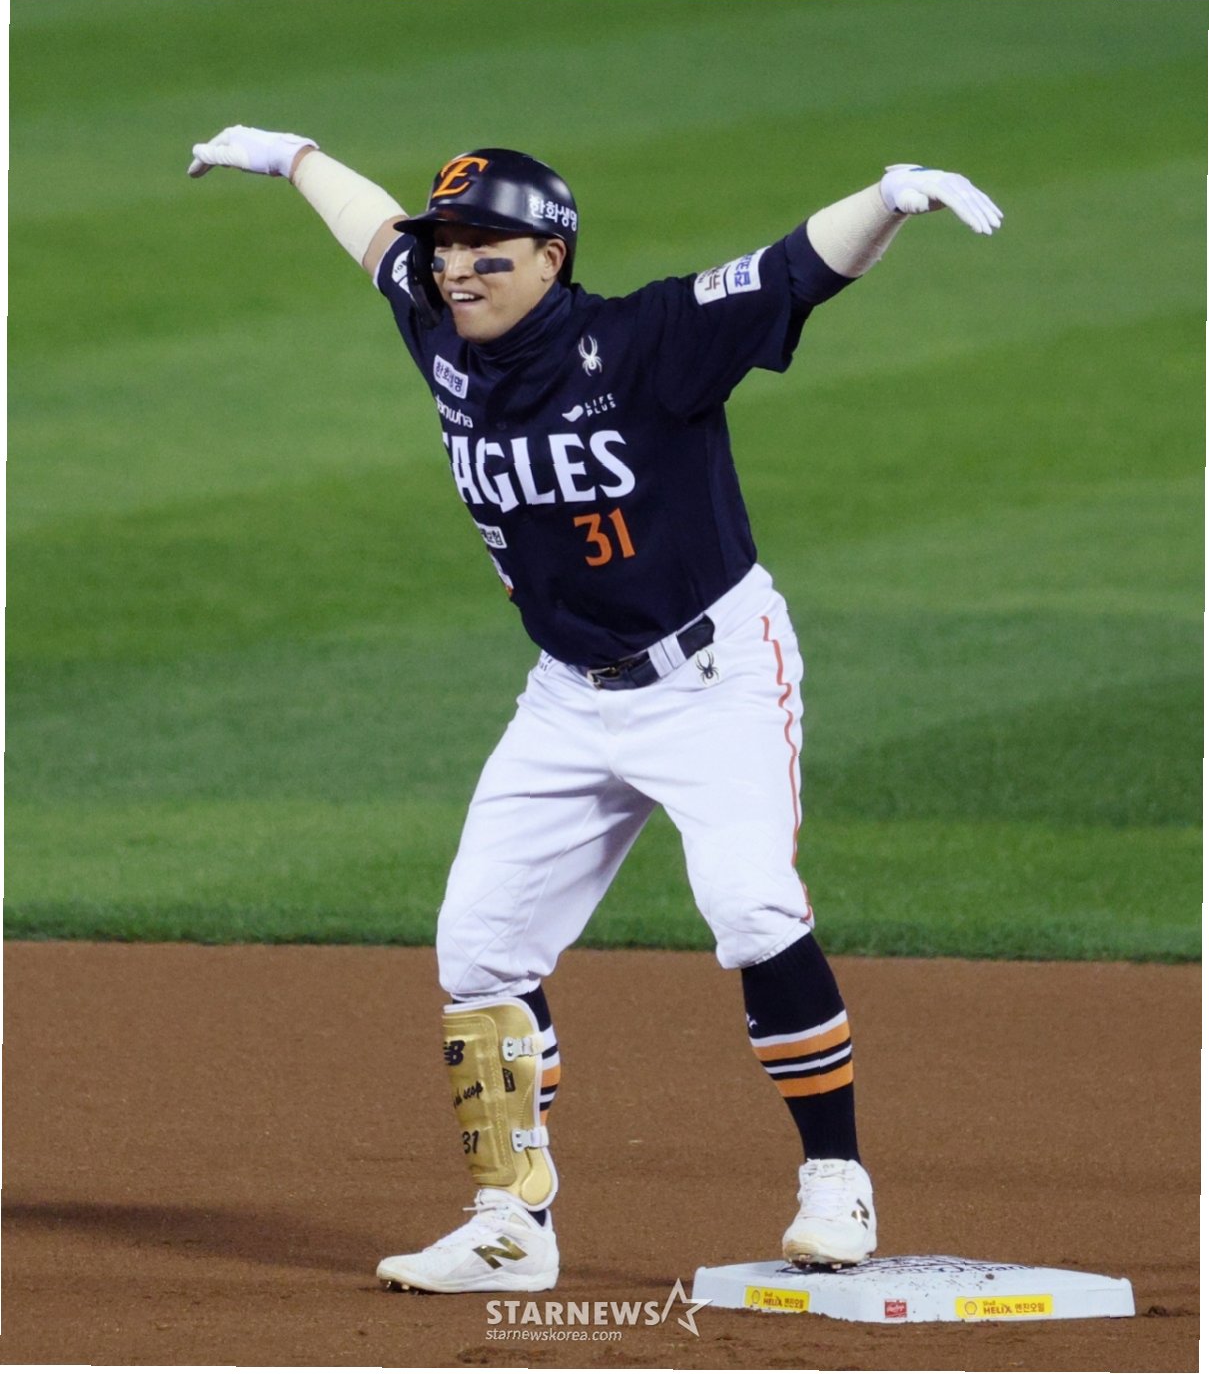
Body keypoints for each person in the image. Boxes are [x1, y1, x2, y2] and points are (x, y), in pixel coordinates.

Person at [188, 125, 1002, 1295]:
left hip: (714, 675)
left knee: (751, 904)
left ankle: (836, 1179)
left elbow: (791, 269)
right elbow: (373, 233)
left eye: (483, 247)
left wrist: (886, 197)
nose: (453, 266)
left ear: (551, 258)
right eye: (446, 245)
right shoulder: (439, 321)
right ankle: (512, 1222)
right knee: (478, 945)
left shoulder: (646, 342)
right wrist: (291, 157)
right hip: (568, 693)